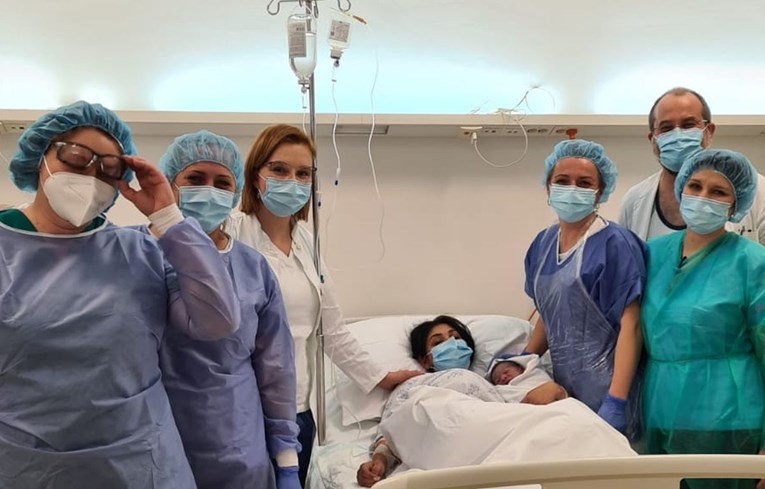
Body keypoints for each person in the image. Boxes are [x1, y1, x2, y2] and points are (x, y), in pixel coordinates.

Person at [0, 101, 241, 488]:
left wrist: (168, 216)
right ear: (40, 158)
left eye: (108, 169)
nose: (90, 175)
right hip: (32, 469)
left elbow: (219, 320)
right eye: (76, 157)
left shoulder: (141, 251)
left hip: (143, 467)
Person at [227, 124, 420, 485]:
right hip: (242, 410)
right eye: (279, 170)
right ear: (255, 176)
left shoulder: (306, 243)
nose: (292, 181)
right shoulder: (231, 233)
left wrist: (381, 377)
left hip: (297, 410)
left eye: (303, 173)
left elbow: (331, 330)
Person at [147, 130, 299, 489]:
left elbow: (276, 368)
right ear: (170, 184)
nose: (209, 191)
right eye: (195, 179)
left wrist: (287, 461)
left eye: (222, 183)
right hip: (152, 441)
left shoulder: (253, 268)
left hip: (234, 442)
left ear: (235, 193)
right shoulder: (135, 253)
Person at [356, 315, 612, 488]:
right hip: (442, 430)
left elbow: (517, 417)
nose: (451, 343)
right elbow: (395, 430)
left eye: (456, 337)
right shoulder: (412, 385)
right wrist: (378, 464)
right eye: (439, 342)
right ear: (426, 359)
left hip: (494, 433)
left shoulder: (497, 382)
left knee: (576, 418)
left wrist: (555, 391)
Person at [640, 149, 765, 489]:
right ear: (681, 188)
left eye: (718, 191)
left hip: (728, 415)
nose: (703, 197)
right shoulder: (651, 254)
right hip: (659, 408)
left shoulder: (753, 262)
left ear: (736, 204)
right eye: (695, 186)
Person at [523, 139, 646, 438]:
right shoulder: (543, 244)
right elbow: (551, 313)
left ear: (600, 191)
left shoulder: (616, 243)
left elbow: (632, 327)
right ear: (548, 188)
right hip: (564, 391)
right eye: (562, 181)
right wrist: (523, 359)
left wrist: (616, 401)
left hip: (610, 389)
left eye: (584, 183)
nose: (572, 189)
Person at [619, 87, 765, 244]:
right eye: (666, 128)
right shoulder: (634, 201)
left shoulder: (757, 191)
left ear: (709, 131)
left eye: (688, 125)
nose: (678, 136)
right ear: (653, 138)